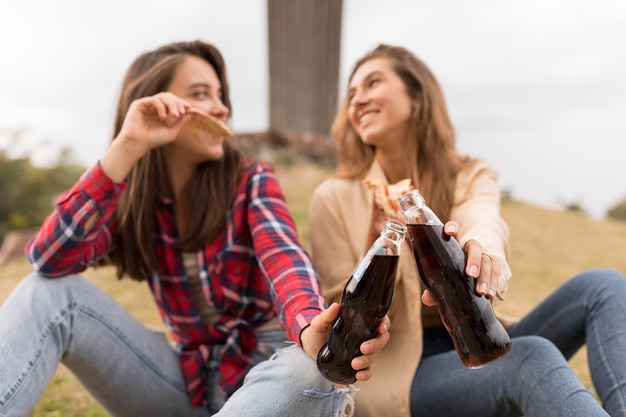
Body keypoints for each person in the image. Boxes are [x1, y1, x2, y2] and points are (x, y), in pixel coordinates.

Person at [0, 40, 391, 417]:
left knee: (313, 371)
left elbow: (283, 256)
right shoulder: (133, 199)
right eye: (201, 93)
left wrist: (308, 326)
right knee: (45, 292)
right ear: (157, 104)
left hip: (265, 373)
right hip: (187, 383)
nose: (220, 108)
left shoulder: (250, 179)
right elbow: (48, 258)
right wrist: (128, 145)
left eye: (220, 95)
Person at [309, 43, 626, 417]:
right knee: (531, 359)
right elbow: (337, 310)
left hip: (477, 333)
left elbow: (482, 219)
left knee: (602, 286)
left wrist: (479, 249)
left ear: (417, 98)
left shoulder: (469, 174)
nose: (357, 101)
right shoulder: (334, 197)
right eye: (351, 95)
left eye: (372, 83)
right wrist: (378, 252)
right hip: (402, 373)